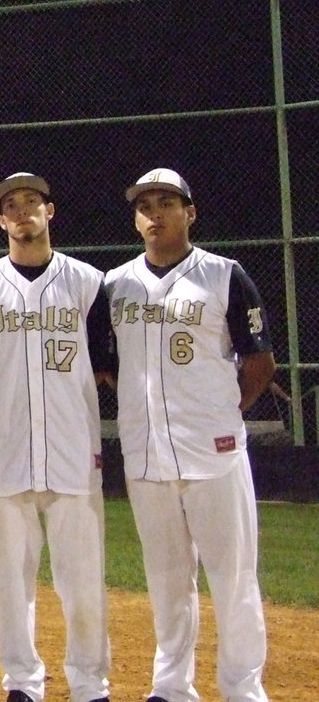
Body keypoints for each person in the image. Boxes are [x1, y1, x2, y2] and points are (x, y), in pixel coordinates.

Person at [104, 168, 275, 702]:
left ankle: (243, 689)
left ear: (189, 213)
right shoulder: (115, 285)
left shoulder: (224, 275)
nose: (155, 212)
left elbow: (260, 362)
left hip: (215, 454)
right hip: (146, 456)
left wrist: (223, 413)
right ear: (136, 219)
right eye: (145, 204)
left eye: (167, 202)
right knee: (167, 581)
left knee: (234, 577)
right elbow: (108, 364)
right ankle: (171, 686)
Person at [0, 172, 112, 702]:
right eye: (11, 205)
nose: (23, 211)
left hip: (72, 454)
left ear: (50, 212)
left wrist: (63, 405)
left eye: (32, 202)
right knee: (11, 583)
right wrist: (8, 411)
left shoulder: (90, 284)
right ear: (1, 221)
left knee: (82, 581)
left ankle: (90, 684)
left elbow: (103, 365)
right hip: (4, 458)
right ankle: (22, 682)